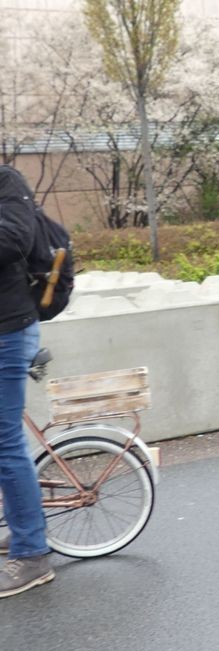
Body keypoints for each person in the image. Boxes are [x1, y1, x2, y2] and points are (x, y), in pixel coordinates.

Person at [0, 166, 54, 597]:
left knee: (6, 442)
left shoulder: (7, 181)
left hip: (9, 331)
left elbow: (13, 240)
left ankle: (32, 554)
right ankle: (21, 523)